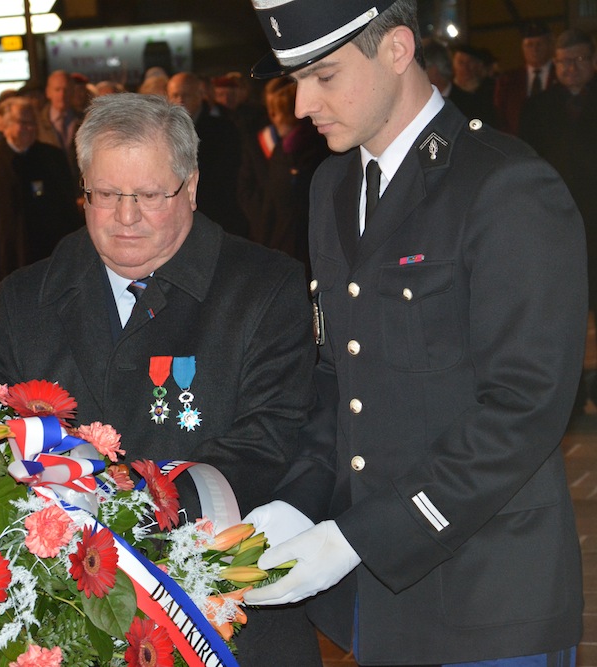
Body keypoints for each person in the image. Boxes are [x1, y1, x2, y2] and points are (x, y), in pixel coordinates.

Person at [242, 1, 586, 665]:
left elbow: (524, 408)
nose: (302, 102)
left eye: (324, 76)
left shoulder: (503, 183)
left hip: (486, 594)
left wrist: (359, 537)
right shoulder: (334, 185)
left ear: (397, 49)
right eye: (294, 81)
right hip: (377, 603)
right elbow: (338, 376)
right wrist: (297, 499)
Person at [0, 92, 321, 665]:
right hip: (66, 616)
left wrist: (124, 511)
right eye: (106, 195)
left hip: (221, 616)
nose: (125, 217)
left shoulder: (265, 288)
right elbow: (0, 447)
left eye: (147, 195)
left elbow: (267, 443)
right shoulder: (25, 298)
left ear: (190, 187)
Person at [520, 28, 597, 414]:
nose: (571, 68)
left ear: (593, 61)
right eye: (565, 61)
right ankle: (570, 395)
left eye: (580, 60)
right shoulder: (539, 106)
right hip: (557, 221)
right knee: (562, 312)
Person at [0, 97, 81, 286]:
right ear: (5, 126)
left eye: (33, 123)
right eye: (22, 123)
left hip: (48, 252)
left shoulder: (52, 157)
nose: (29, 128)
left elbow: (67, 209)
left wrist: (73, 252)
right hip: (8, 254)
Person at [239, 76, 328, 269]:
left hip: (305, 240)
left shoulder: (318, 145)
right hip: (281, 237)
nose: (273, 116)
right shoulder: (277, 147)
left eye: (278, 110)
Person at [167, 72, 249, 237]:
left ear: (199, 95)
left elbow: (227, 180)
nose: (180, 100)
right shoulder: (163, 132)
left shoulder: (222, 130)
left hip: (214, 218)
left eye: (186, 94)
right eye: (175, 95)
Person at [493, 20, 555, 135]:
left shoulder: (561, 76)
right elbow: (500, 116)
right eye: (529, 45)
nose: (534, 49)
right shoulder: (508, 81)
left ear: (550, 45)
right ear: (523, 48)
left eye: (539, 44)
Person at [36, 70, 82, 179]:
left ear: (73, 92)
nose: (62, 94)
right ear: (48, 92)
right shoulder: (37, 123)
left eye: (66, 90)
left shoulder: (85, 120)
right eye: (57, 90)